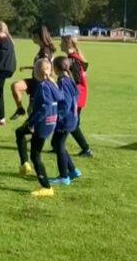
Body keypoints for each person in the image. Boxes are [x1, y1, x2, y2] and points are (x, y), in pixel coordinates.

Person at [15, 58, 61, 197]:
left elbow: (45, 107)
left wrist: (33, 124)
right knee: (19, 132)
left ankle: (46, 187)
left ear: (36, 72)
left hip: (42, 123)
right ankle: (24, 165)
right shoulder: (52, 84)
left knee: (36, 155)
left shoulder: (42, 86)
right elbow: (60, 97)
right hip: (50, 120)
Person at [10, 25, 56, 120]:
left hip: (40, 83)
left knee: (32, 111)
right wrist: (27, 67)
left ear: (39, 37)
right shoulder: (42, 50)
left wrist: (48, 78)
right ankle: (20, 109)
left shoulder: (45, 51)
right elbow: (40, 66)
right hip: (34, 80)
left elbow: (46, 68)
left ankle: (35, 130)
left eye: (33, 36)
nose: (32, 38)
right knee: (16, 86)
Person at [49, 57, 81, 186]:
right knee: (57, 143)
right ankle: (72, 171)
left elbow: (66, 103)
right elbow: (76, 95)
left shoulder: (63, 82)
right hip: (71, 118)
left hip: (65, 119)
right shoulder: (69, 79)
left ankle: (64, 176)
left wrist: (57, 116)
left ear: (55, 68)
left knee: (58, 144)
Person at [61, 35, 93, 157]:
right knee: (68, 121)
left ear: (67, 44)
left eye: (62, 43)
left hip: (76, 96)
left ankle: (86, 149)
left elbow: (77, 80)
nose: (59, 45)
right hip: (78, 94)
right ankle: (57, 145)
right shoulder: (74, 58)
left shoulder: (73, 60)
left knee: (72, 124)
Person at [0, 21, 16, 125]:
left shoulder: (4, 40)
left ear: (0, 30)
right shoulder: (7, 40)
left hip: (2, 69)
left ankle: (2, 118)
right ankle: (1, 118)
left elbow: (3, 54)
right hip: (6, 68)